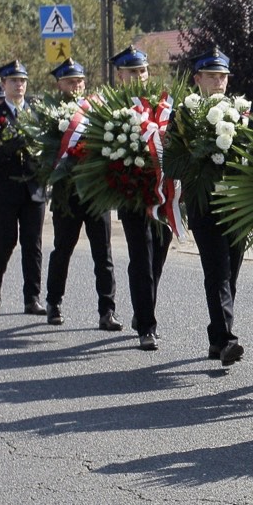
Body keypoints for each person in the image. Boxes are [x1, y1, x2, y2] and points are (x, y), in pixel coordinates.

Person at [42, 59, 120, 331]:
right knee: (63, 249)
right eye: (69, 81)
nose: (75, 86)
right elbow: (45, 154)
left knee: (104, 253)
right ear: (59, 84)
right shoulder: (50, 112)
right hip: (68, 193)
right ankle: (54, 303)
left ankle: (107, 311)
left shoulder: (96, 109)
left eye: (79, 81)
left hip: (96, 193)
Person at [183, 49, 246, 365]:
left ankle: (216, 337)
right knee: (218, 272)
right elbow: (175, 159)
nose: (219, 82)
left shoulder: (239, 111)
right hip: (204, 205)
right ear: (198, 79)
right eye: (212, 76)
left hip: (236, 206)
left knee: (231, 273)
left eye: (223, 76)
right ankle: (226, 340)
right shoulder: (184, 114)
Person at [109, 46, 171, 350]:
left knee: (158, 253)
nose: (138, 76)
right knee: (142, 257)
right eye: (131, 71)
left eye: (142, 71)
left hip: (163, 196)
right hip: (132, 195)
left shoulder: (163, 103)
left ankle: (141, 307)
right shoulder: (112, 107)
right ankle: (147, 325)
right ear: (120, 76)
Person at [0, 60, 48, 314]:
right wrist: (4, 151)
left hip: (33, 188)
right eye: (14, 80)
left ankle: (32, 297)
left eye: (23, 80)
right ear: (3, 84)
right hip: (5, 190)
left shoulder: (38, 113)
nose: (19, 85)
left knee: (33, 243)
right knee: (6, 241)